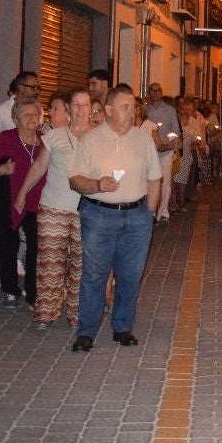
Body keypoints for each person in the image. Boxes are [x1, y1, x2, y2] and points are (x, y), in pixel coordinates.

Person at [67, 86, 161, 352]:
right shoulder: (90, 140)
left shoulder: (143, 140)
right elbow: (74, 179)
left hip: (137, 217)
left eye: (133, 107)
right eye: (125, 107)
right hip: (99, 216)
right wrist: (97, 184)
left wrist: (150, 214)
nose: (132, 112)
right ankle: (86, 332)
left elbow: (155, 178)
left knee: (130, 275)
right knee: (94, 275)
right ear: (108, 110)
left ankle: (122, 328)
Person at [16, 90, 94, 329]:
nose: (81, 110)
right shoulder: (55, 136)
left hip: (88, 211)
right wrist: (22, 193)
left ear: (91, 108)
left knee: (81, 264)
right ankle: (46, 312)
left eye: (85, 105)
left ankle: (77, 313)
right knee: (50, 263)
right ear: (69, 108)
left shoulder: (100, 136)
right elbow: (39, 166)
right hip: (53, 207)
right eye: (76, 105)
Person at [0, 99, 45, 309]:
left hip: (38, 202)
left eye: (35, 114)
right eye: (26, 115)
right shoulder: (7, 139)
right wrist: (1, 170)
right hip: (9, 202)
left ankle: (33, 294)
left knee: (37, 248)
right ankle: (10, 290)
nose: (31, 118)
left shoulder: (45, 141)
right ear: (15, 119)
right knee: (8, 245)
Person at [144, 83, 181, 222]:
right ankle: (151, 210)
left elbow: (176, 129)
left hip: (166, 152)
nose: (155, 93)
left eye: (157, 90)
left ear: (161, 92)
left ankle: (163, 211)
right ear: (149, 92)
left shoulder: (170, 110)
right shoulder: (145, 109)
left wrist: (171, 142)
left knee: (165, 182)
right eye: (152, 91)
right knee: (150, 181)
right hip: (149, 152)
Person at [0, 71, 40, 144]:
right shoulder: (1, 109)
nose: (37, 91)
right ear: (21, 87)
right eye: (33, 87)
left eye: (38, 88)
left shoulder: (38, 109)